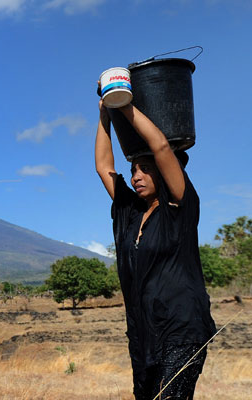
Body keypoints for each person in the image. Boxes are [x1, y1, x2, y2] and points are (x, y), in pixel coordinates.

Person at [94, 99, 216, 400]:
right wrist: (104, 115)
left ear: (162, 172)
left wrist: (124, 106)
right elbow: (103, 167)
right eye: (133, 169)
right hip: (143, 334)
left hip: (182, 329)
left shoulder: (179, 209)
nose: (135, 176)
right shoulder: (129, 213)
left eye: (144, 169)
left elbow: (161, 147)